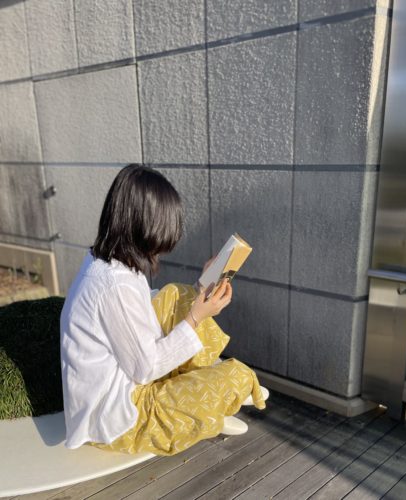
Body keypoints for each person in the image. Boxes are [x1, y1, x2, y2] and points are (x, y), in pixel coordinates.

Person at [60, 163, 267, 456]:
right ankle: (212, 407)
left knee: (176, 295)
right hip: (121, 417)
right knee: (236, 377)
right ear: (143, 225)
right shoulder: (114, 286)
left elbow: (137, 317)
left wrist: (200, 289)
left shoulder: (108, 263)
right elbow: (145, 369)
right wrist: (196, 316)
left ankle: (208, 399)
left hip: (118, 386)